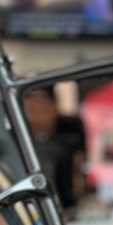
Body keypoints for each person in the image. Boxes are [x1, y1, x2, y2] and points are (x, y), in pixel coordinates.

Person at [22, 84, 87, 213]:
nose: (37, 118)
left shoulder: (71, 128)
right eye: (31, 111)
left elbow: (78, 164)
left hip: (66, 201)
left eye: (43, 111)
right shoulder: (20, 134)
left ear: (55, 107)